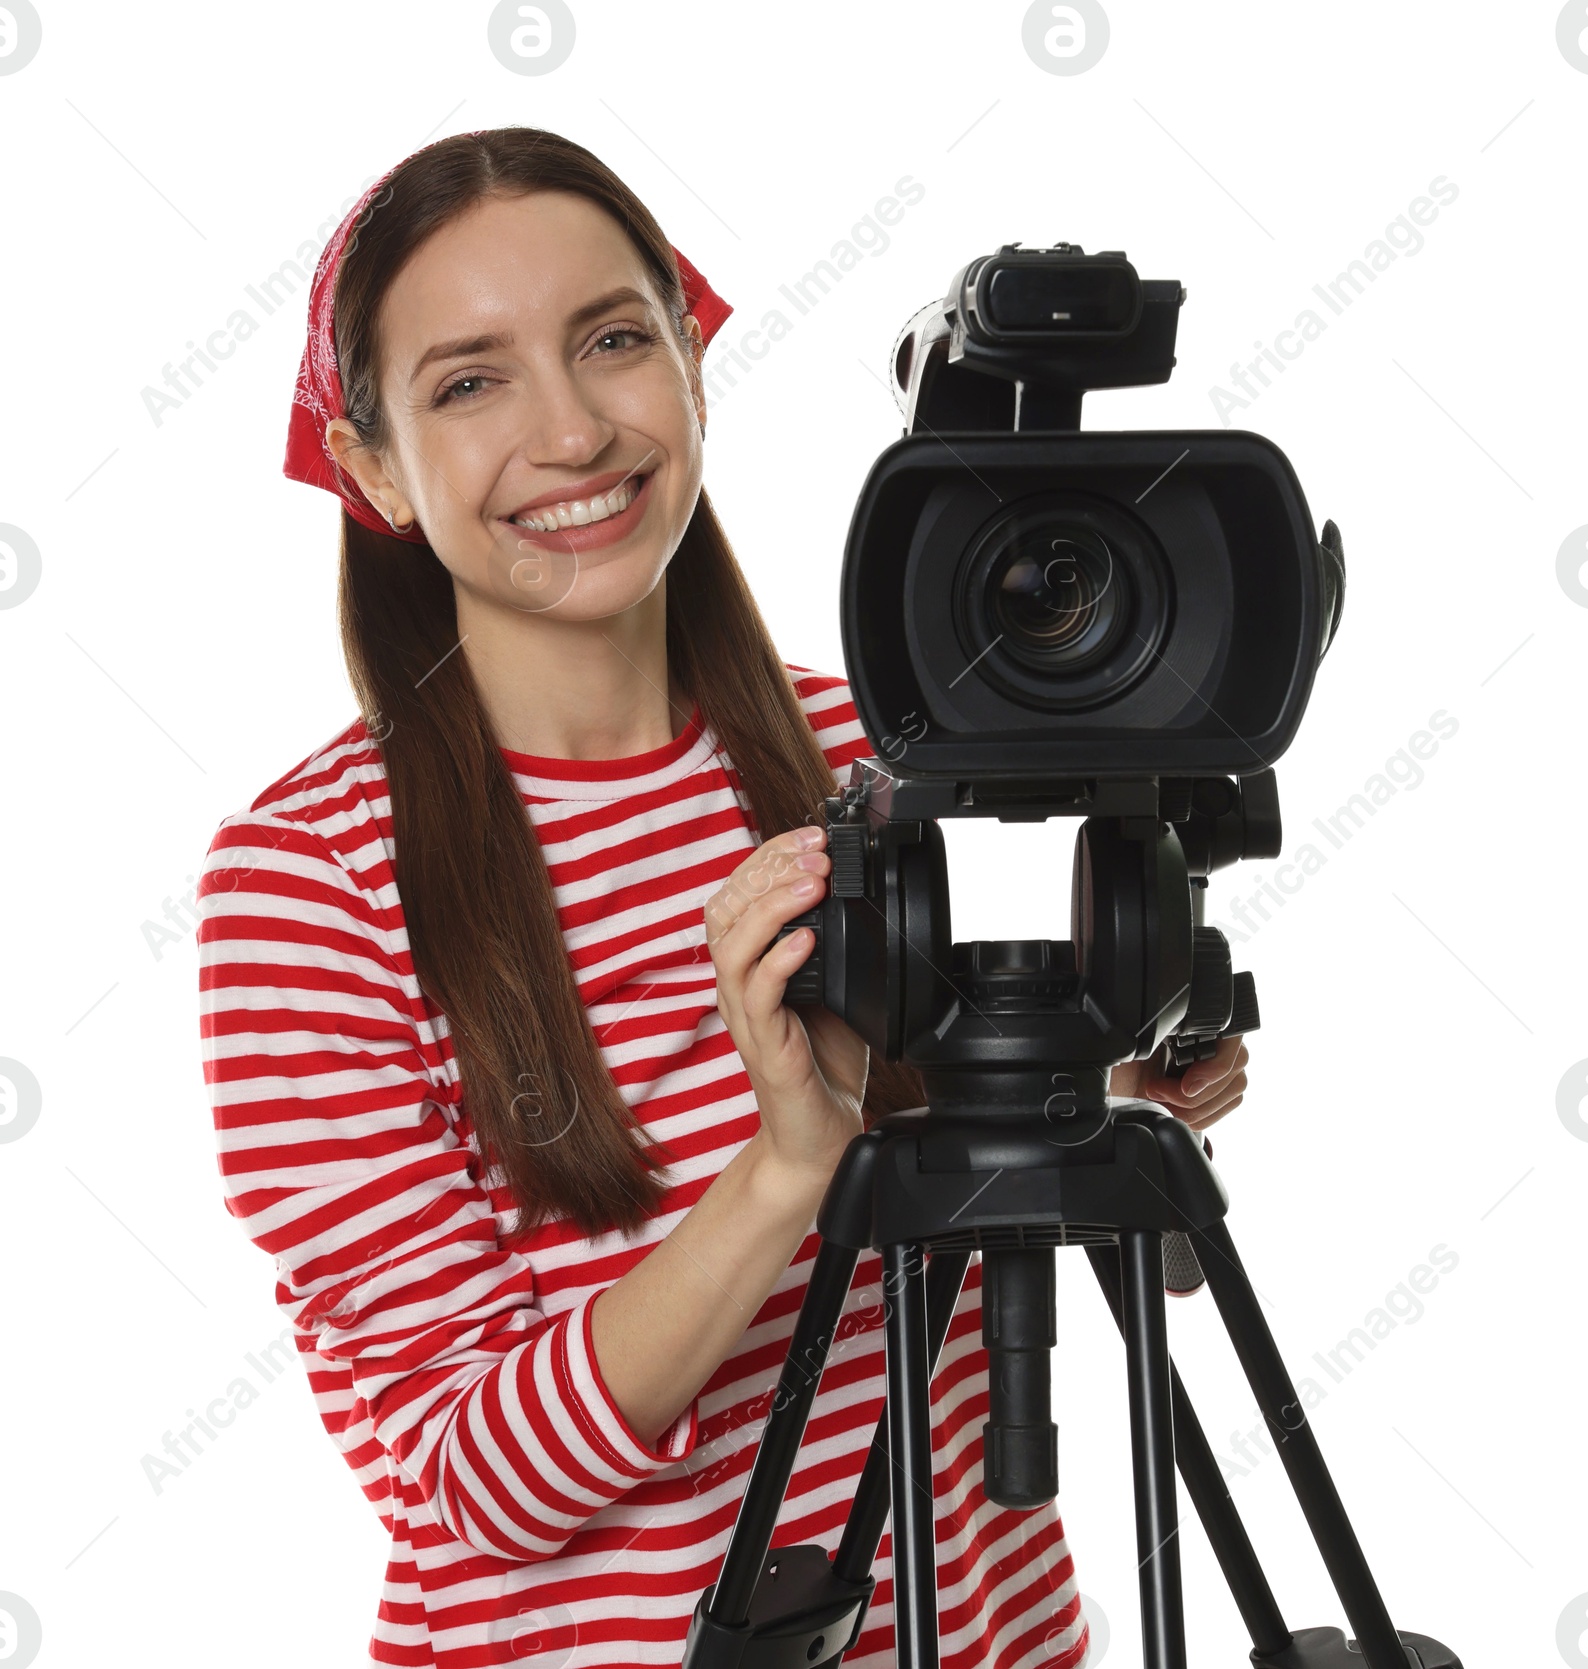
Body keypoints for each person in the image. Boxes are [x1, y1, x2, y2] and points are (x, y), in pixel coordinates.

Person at [194, 126, 1247, 1669]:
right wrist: (785, 1164)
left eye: (613, 339)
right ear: (371, 467)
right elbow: (470, 1485)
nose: (570, 432)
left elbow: (1066, 1262)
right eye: (470, 380)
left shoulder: (888, 752)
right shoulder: (310, 884)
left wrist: (1116, 1111)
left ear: (692, 355)